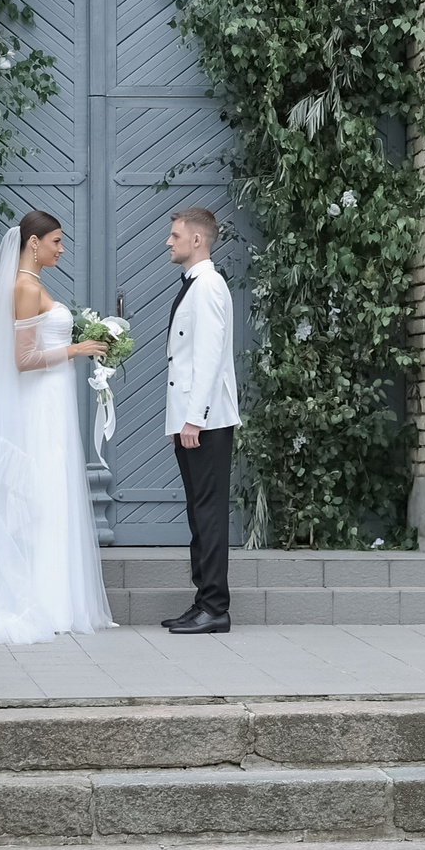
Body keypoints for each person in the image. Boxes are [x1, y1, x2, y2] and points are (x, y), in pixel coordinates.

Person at [0, 210, 114, 643]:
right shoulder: (24, 287)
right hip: (40, 404)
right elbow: (23, 359)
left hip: (53, 400)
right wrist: (76, 348)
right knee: (44, 493)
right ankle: (42, 601)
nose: (62, 248)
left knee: (55, 493)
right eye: (56, 241)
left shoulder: (35, 285)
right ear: (33, 243)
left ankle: (59, 599)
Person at [161, 207, 242, 633]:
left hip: (206, 423)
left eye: (175, 236)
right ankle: (203, 600)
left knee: (208, 513)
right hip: (191, 422)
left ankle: (216, 607)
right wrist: (181, 422)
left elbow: (209, 359)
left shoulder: (209, 285)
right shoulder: (197, 285)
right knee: (198, 511)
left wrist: (195, 420)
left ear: (197, 240)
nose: (169, 242)